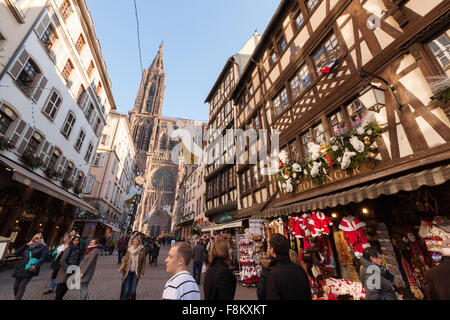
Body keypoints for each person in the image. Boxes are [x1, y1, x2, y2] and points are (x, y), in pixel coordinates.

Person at [264, 233, 312, 300]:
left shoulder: (274, 274)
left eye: (268, 246)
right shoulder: (300, 270)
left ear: (272, 250)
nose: (268, 249)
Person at [12, 233, 49, 300]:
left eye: (41, 238)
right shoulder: (28, 246)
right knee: (15, 286)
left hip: (30, 268)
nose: (39, 239)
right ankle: (16, 297)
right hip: (21, 267)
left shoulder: (44, 247)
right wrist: (26, 244)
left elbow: (43, 258)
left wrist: (36, 265)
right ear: (33, 239)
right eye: (37, 238)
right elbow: (17, 253)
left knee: (22, 286)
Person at [55, 235, 83, 300]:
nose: (77, 242)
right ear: (72, 241)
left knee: (67, 286)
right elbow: (62, 260)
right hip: (65, 270)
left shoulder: (79, 249)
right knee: (61, 286)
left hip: (73, 270)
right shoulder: (69, 248)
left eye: (78, 240)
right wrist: (67, 268)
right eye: (75, 240)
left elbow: (78, 260)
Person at [119, 236, 146, 300]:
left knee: (133, 291)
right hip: (128, 271)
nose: (135, 242)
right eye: (134, 241)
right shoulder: (129, 249)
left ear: (139, 242)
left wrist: (142, 272)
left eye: (137, 241)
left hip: (136, 272)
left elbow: (143, 262)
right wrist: (121, 267)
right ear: (132, 242)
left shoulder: (142, 250)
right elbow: (125, 260)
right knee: (126, 290)